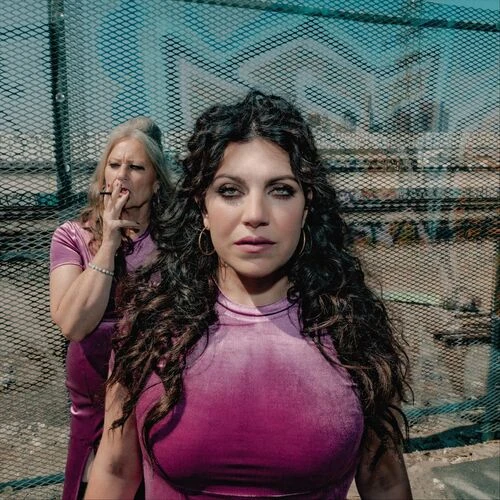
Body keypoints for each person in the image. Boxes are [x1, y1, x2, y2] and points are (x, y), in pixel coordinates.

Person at [86, 91, 413, 499]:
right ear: (203, 207)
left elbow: (384, 479)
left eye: (281, 190)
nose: (255, 214)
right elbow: (115, 470)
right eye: (230, 190)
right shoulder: (151, 323)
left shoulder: (354, 331)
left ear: (306, 206)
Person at [49, 116, 173, 500]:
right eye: (114, 165)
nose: (122, 175)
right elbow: (73, 324)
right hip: (93, 411)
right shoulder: (72, 236)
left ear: (156, 182)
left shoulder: (177, 241)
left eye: (136, 167)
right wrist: (108, 244)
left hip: (160, 404)